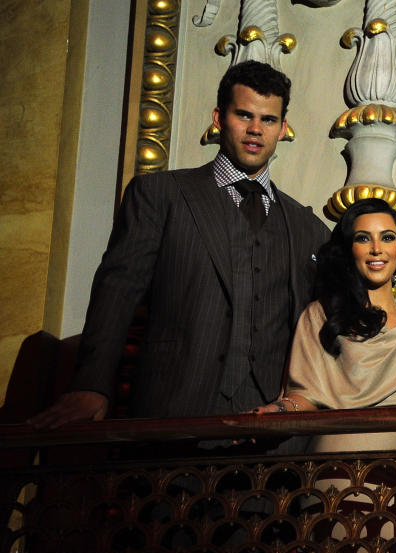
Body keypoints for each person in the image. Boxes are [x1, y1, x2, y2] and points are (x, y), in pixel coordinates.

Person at [30, 60, 330, 428]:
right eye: (243, 115)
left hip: (272, 436)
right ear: (219, 118)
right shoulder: (159, 195)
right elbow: (117, 292)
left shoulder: (308, 228)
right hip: (172, 414)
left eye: (268, 120)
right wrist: (92, 385)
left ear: (283, 128)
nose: (255, 129)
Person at [251, 197, 396, 518]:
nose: (377, 248)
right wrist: (276, 410)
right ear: (349, 250)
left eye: (387, 237)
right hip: (336, 484)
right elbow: (302, 395)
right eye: (364, 238)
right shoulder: (322, 317)